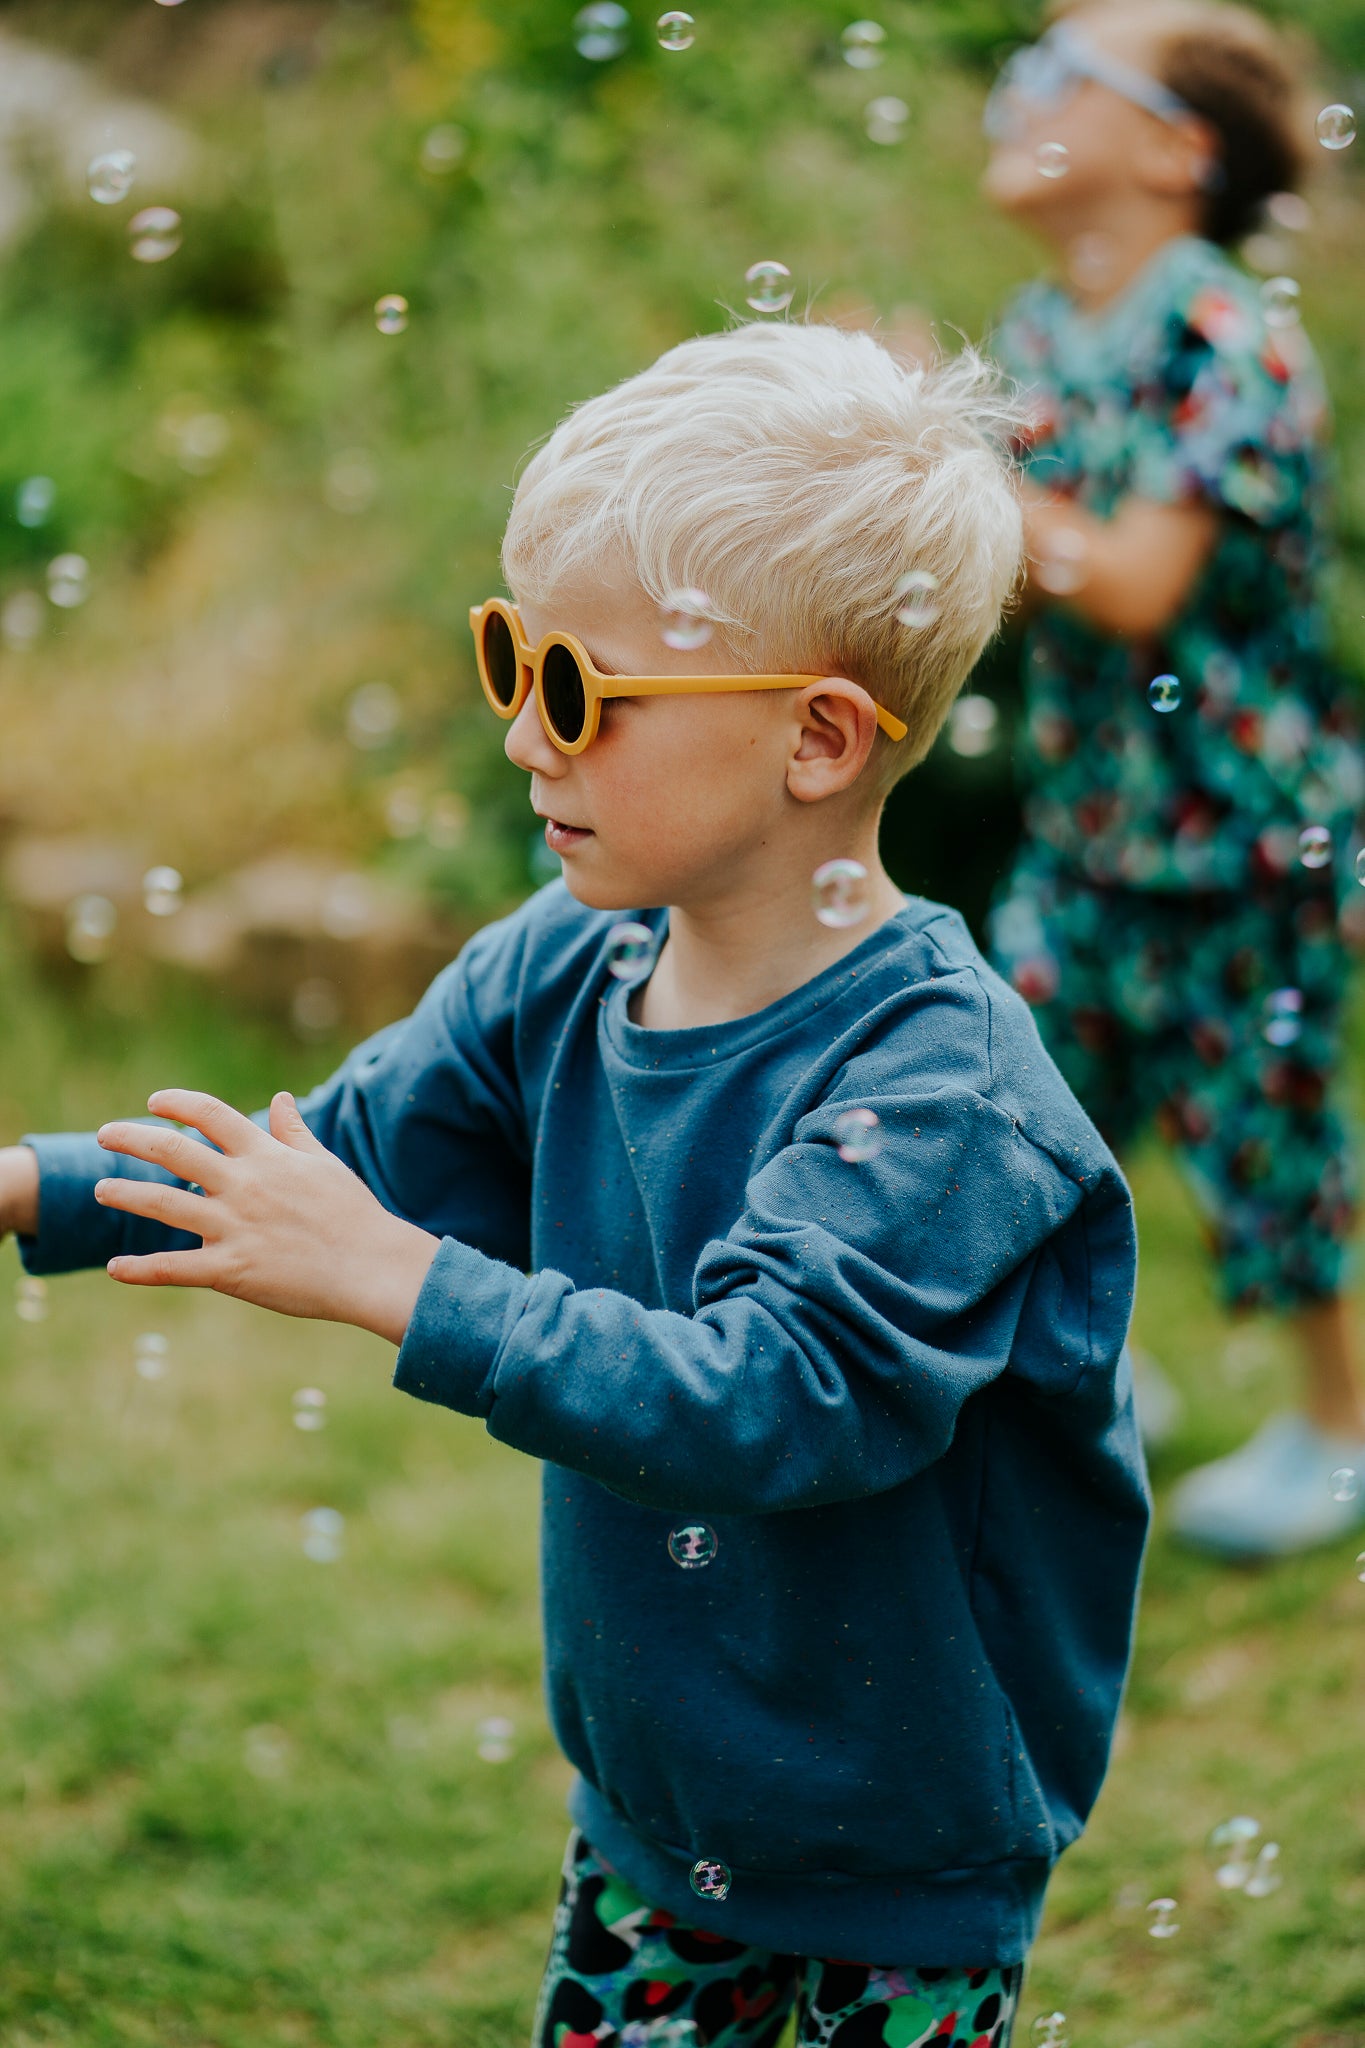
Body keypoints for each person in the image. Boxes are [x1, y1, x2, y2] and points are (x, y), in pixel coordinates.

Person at [0, 322, 1147, 2048]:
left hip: (892, 1844)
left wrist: (402, 1283)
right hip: (656, 1809)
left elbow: (772, 1400)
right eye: (506, 657)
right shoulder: (564, 961)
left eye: (576, 690)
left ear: (819, 739)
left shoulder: (940, 1089)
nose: (524, 741)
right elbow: (319, 1162)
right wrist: (30, 1186)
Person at [980, 0, 1365, 1557]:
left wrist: (959, 482)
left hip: (1240, 841)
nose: (1017, 93)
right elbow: (1010, 569)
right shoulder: (1032, 329)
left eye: (1061, 77)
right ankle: (1092, 1371)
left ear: (1170, 149)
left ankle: (1339, 1427)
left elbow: (1133, 582)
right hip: (1085, 833)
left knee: (1258, 1137)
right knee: (1018, 1108)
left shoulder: (1225, 333)